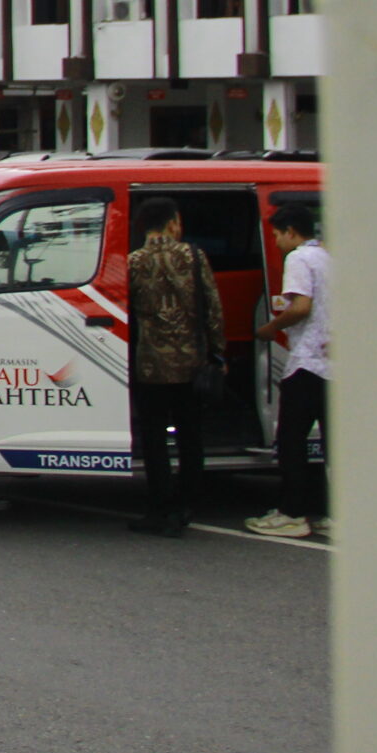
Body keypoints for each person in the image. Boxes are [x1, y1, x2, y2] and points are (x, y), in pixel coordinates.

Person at [127, 196, 225, 537]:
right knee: (190, 435)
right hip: (190, 361)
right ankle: (186, 504)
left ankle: (158, 507)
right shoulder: (194, 256)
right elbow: (212, 309)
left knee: (154, 438)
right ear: (173, 222)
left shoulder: (134, 262)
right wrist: (218, 353)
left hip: (151, 363)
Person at [248, 204, 330, 540]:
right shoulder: (331, 258)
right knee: (333, 444)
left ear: (292, 232)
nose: (277, 241)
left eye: (277, 235)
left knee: (291, 441)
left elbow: (301, 305)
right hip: (334, 364)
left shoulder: (299, 258)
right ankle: (333, 513)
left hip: (308, 362)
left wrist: (271, 328)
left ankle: (292, 513)